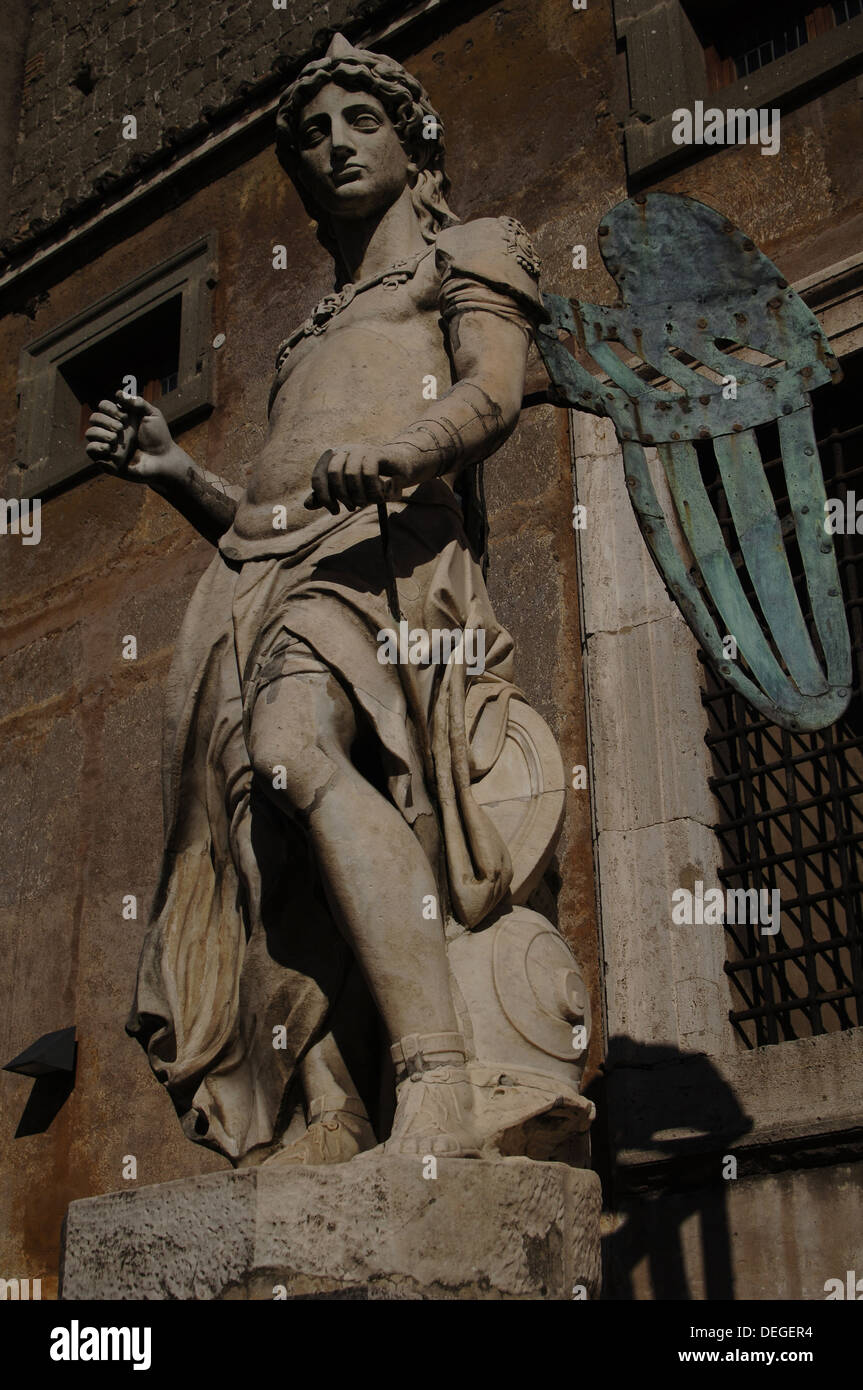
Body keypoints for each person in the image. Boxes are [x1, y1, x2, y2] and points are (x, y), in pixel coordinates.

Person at [85, 34, 550, 1166]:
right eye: (310, 134)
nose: (334, 144)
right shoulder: (303, 337)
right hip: (260, 580)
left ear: (410, 142)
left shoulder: (465, 253)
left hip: (385, 561)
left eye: (360, 122)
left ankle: (435, 1074)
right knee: (258, 843)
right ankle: (330, 1107)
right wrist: (177, 475)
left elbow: (495, 393)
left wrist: (399, 450)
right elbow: (258, 516)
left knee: (295, 747)